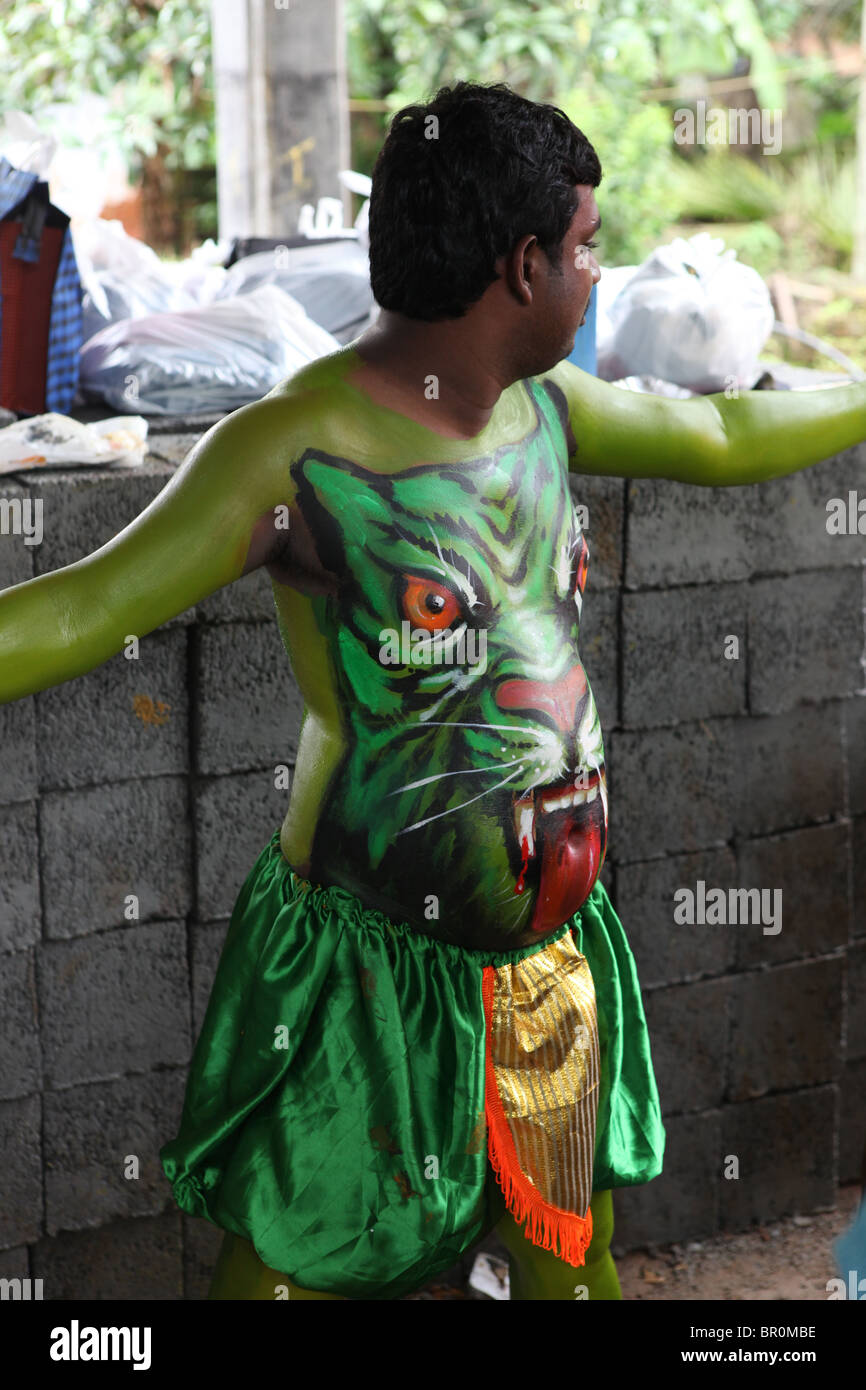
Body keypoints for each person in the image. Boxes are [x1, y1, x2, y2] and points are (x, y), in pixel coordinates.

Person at [2, 81, 865, 1302]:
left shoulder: (545, 408)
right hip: (359, 970)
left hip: (548, 955)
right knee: (288, 1268)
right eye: (584, 251)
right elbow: (85, 605)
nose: (593, 276)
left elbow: (724, 437)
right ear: (522, 268)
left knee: (571, 1256)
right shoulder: (292, 447)